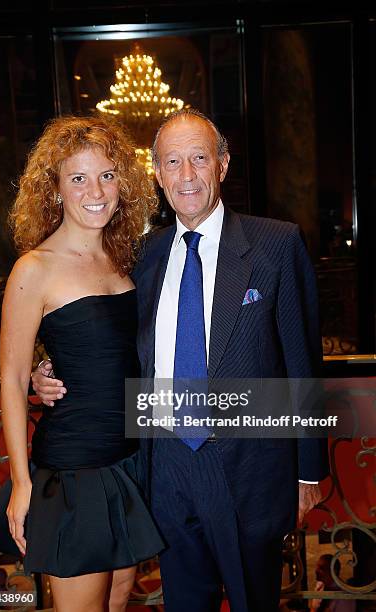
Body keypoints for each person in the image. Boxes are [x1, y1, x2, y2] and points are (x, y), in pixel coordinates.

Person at [32, 109, 329, 611]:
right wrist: (48, 370)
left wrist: (308, 471)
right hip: (162, 465)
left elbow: (303, 364)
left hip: (249, 468)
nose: (186, 175)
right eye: (173, 162)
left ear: (223, 165)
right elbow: (107, 339)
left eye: (199, 159)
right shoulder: (138, 255)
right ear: (157, 173)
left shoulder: (276, 244)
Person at [0, 115, 164, 612]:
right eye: (78, 177)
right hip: (75, 468)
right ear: (56, 188)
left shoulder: (124, 259)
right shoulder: (33, 268)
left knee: (120, 595)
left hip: (129, 460)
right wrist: (21, 482)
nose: (95, 190)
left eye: (106, 175)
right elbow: (14, 379)